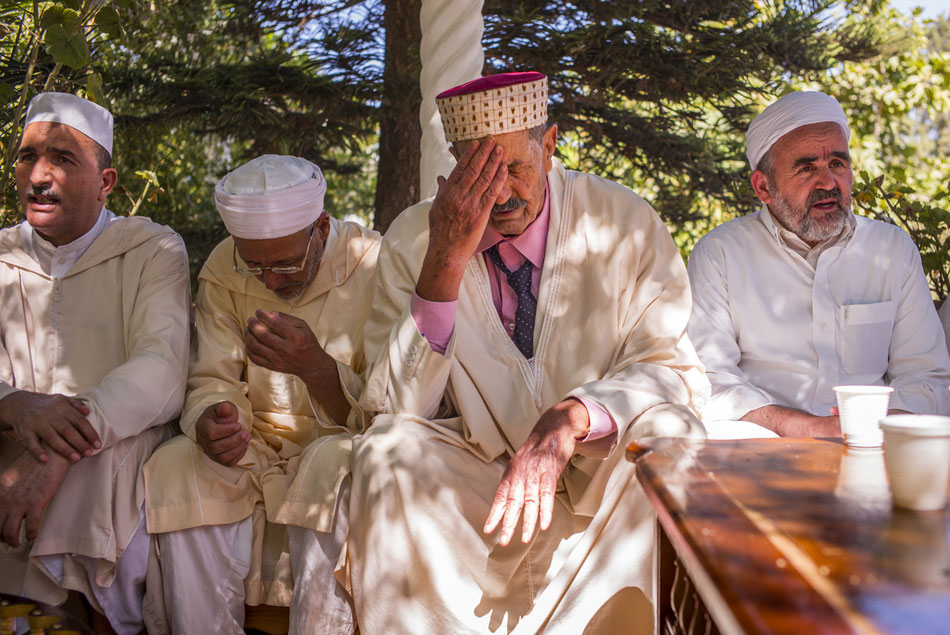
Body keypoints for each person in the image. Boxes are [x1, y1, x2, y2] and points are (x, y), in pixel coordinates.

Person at [345, 72, 708, 633]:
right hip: (480, 486)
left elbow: (671, 370)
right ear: (452, 162)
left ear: (551, 144)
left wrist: (573, 417)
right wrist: (444, 257)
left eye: (515, 166)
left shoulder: (624, 223)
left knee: (670, 431)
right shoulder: (415, 238)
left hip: (602, 488)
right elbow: (393, 407)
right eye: (479, 173)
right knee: (385, 451)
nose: (502, 193)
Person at [143, 155, 380, 634]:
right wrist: (214, 415)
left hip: (343, 443)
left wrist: (316, 368)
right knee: (175, 465)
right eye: (255, 266)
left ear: (322, 227)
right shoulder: (223, 269)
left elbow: (391, 405)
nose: (270, 282)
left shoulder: (375, 263)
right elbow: (210, 377)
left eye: (285, 263)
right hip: (256, 449)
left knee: (329, 469)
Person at [0, 92, 190, 633]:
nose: (39, 175)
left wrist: (59, 450)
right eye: (27, 156)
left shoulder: (150, 249)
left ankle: (78, 622)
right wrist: (15, 405)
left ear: (106, 182)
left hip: (116, 443)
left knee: (94, 468)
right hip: (9, 433)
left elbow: (162, 368)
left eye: (62, 158)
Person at [687, 91, 950, 439]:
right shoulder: (720, 254)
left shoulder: (891, 250)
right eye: (807, 168)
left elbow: (925, 377)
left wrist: (872, 431)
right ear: (763, 187)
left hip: (874, 442)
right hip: (761, 446)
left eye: (838, 163)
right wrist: (811, 429)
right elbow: (709, 381)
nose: (828, 183)